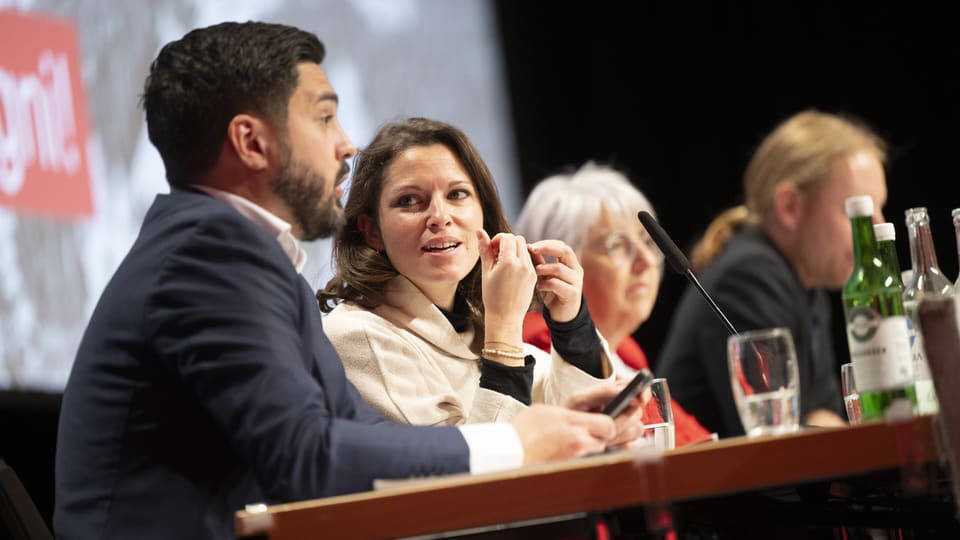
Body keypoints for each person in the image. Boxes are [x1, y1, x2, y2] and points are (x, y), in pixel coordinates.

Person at [53, 22, 632, 540]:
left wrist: (549, 422)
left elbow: (352, 433)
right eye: (325, 116)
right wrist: (517, 442)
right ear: (251, 142)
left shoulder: (235, 251)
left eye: (458, 194)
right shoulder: (209, 254)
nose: (346, 144)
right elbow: (309, 458)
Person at [317, 119, 642, 432]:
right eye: (409, 201)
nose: (440, 217)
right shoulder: (356, 335)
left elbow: (579, 419)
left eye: (457, 194)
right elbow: (471, 478)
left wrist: (572, 323)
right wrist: (503, 324)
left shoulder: (475, 329)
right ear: (372, 232)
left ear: (483, 216)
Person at [658, 109, 888, 438]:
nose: (877, 226)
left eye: (878, 208)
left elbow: (821, 413)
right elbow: (778, 436)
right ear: (790, 207)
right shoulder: (750, 278)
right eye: (857, 209)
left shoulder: (807, 284)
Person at [514, 162, 713, 447]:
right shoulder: (542, 345)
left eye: (647, 241)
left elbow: (697, 444)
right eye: (617, 245)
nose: (646, 261)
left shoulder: (626, 350)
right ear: (557, 262)